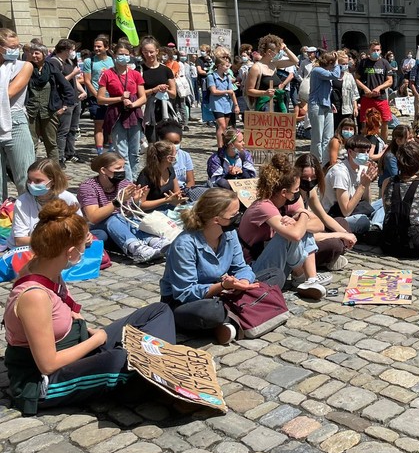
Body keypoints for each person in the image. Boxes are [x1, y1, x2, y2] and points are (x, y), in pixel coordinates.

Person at [3, 200, 176, 414]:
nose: (89, 245)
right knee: (120, 359)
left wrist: (88, 329)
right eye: (86, 243)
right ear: (71, 252)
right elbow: (48, 364)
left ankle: (153, 368)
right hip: (42, 381)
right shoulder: (35, 296)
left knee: (158, 311)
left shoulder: (48, 268)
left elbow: (65, 309)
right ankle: (142, 378)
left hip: (76, 343)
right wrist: (98, 338)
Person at [160, 189, 287, 344]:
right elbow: (185, 293)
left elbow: (241, 267)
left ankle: (231, 320)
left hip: (225, 292)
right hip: (190, 301)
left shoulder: (229, 233)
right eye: (234, 216)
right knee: (211, 312)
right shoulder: (185, 244)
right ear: (216, 219)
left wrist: (244, 282)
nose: (239, 218)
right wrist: (221, 286)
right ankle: (246, 310)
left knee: (275, 274)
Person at [238, 156, 332, 299]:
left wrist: (299, 219)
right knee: (289, 234)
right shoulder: (263, 207)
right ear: (284, 192)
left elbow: (319, 225)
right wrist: (303, 214)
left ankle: (311, 280)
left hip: (276, 260)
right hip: (254, 268)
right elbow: (295, 235)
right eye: (295, 191)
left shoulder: (286, 202)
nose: (297, 194)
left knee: (304, 230)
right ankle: (300, 275)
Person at [77, 152, 165, 262]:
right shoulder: (88, 187)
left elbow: (127, 214)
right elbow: (93, 217)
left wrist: (135, 201)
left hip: (119, 225)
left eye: (123, 167)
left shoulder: (123, 184)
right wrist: (117, 202)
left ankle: (152, 241)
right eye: (118, 168)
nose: (122, 171)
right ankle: (136, 248)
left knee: (128, 219)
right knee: (114, 218)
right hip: (95, 228)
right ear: (103, 170)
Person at [294, 153, 358, 271]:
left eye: (313, 178)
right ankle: (320, 261)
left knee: (341, 222)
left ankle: (330, 257)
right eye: (305, 177)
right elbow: (303, 234)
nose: (309, 181)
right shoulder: (293, 196)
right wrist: (340, 235)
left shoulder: (310, 191)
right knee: (334, 244)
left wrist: (346, 234)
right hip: (301, 241)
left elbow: (323, 216)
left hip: (310, 230)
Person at [96, 42, 146, 181]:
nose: (123, 57)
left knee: (135, 152)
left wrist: (133, 104)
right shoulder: (107, 74)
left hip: (133, 114)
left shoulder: (135, 74)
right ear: (114, 54)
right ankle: (128, 184)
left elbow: (143, 97)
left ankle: (135, 180)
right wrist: (119, 98)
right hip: (116, 115)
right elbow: (100, 99)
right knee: (122, 153)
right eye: (120, 54)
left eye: (126, 54)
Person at [26, 42, 76, 162]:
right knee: (31, 143)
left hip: (49, 111)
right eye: (32, 53)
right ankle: (31, 169)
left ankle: (54, 170)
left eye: (37, 53)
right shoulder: (27, 68)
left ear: (43, 54)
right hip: (31, 111)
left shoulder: (51, 68)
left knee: (51, 143)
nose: (34, 55)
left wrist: (64, 107)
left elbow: (68, 89)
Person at [0, 29, 36, 195]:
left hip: (15, 122)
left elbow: (8, 93)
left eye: (18, 46)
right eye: (11, 47)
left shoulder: (24, 66)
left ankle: (30, 216)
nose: (16, 50)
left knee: (26, 176)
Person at [12, 159, 80, 246]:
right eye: (29, 180)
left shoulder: (68, 198)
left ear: (53, 181)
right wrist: (54, 240)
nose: (31, 184)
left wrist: (84, 237)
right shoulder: (22, 202)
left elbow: (79, 228)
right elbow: (20, 240)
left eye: (38, 181)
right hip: (30, 248)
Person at [322, 134, 380, 234]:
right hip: (336, 216)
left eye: (367, 151)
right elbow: (346, 211)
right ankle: (374, 226)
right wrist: (362, 185)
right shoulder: (339, 172)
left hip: (356, 209)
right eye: (361, 152)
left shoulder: (361, 168)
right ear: (350, 152)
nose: (365, 155)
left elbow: (367, 203)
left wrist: (367, 183)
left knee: (383, 203)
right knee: (363, 221)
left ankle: (375, 226)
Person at [49, 40, 81, 167]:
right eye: (72, 49)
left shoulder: (69, 61)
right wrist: (73, 73)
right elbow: (58, 82)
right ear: (65, 50)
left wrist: (82, 91)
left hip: (74, 98)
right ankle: (60, 157)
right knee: (63, 130)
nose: (74, 52)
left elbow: (73, 80)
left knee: (73, 129)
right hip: (63, 100)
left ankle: (70, 152)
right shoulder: (54, 62)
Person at [140, 37, 178, 143]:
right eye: (145, 52)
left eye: (151, 52)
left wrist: (165, 90)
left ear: (157, 51)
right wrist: (154, 90)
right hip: (148, 111)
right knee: (152, 141)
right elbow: (139, 93)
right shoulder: (140, 70)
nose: (149, 55)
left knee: (166, 142)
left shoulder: (166, 70)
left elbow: (173, 93)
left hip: (165, 109)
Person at [308, 51, 342, 164]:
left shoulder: (324, 71)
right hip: (316, 105)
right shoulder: (317, 70)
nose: (334, 66)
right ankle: (316, 161)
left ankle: (325, 161)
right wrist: (337, 63)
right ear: (329, 62)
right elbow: (335, 75)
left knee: (328, 136)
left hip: (326, 105)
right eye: (332, 64)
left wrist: (330, 102)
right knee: (318, 137)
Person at [354, 41, 393, 141]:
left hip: (381, 98)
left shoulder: (385, 63)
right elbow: (356, 78)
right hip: (367, 97)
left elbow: (390, 81)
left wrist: (379, 87)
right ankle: (365, 143)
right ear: (369, 50)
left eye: (377, 50)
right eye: (373, 50)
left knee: (385, 121)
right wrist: (365, 88)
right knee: (365, 121)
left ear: (380, 50)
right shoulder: (363, 63)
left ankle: (383, 143)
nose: (375, 52)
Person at [82, 35, 114, 154]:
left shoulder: (113, 60)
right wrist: (96, 95)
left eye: (99, 46)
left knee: (111, 124)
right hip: (96, 97)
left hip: (111, 97)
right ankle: (100, 151)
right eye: (95, 46)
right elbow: (87, 81)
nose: (96, 49)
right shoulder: (89, 61)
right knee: (98, 124)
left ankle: (111, 148)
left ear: (106, 47)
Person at [136, 141, 186, 212]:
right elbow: (141, 204)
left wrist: (177, 198)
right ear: (169, 158)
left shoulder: (170, 169)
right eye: (175, 154)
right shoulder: (146, 175)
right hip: (150, 213)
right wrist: (166, 200)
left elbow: (177, 192)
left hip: (168, 208)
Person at [207, 56, 240, 150]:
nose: (228, 67)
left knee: (225, 127)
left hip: (227, 104)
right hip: (216, 104)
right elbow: (214, 91)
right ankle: (220, 147)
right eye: (226, 65)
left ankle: (225, 145)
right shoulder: (211, 76)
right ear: (219, 66)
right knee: (222, 125)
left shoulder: (227, 77)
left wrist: (236, 105)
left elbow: (232, 92)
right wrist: (226, 92)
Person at [156, 120, 197, 194]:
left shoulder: (185, 156)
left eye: (176, 143)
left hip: (184, 191)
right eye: (169, 142)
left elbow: (190, 181)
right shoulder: (156, 157)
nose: (173, 146)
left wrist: (185, 192)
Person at [335, 51, 359, 133]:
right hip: (335, 109)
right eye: (343, 64)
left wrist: (355, 107)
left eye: (346, 63)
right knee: (336, 130)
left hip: (347, 108)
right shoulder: (331, 76)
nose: (345, 66)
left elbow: (354, 93)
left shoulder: (349, 76)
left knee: (348, 130)